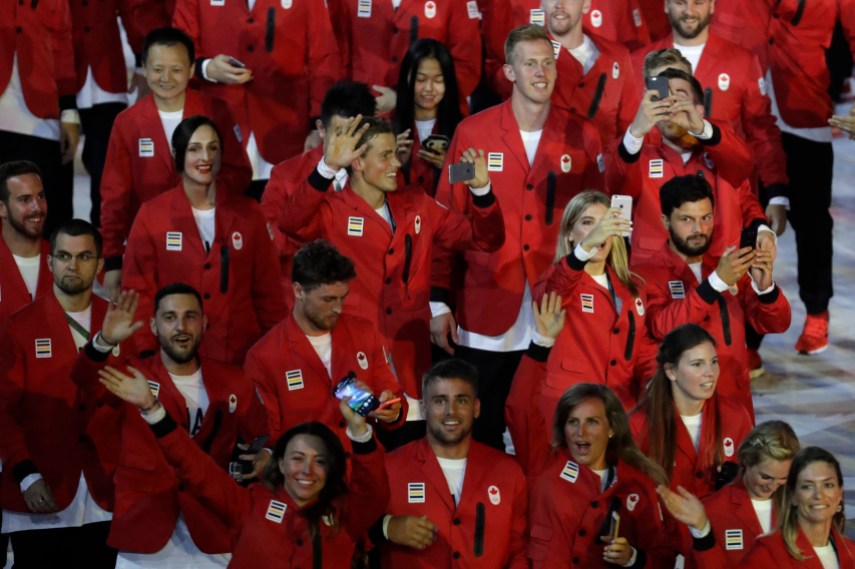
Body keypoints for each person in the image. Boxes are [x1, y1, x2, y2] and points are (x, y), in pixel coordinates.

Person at [431, 24, 604, 450]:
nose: (542, 72)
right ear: (509, 71)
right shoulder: (472, 134)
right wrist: (437, 299)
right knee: (485, 430)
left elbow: (600, 219)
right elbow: (447, 221)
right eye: (530, 64)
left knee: (553, 433)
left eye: (548, 63)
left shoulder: (582, 136)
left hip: (558, 305)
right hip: (487, 303)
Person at [280, 117, 503, 438]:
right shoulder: (331, 211)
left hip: (411, 364)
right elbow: (291, 222)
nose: (395, 164)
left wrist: (481, 191)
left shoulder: (418, 204)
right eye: (384, 156)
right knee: (359, 451)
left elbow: (485, 240)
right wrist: (326, 166)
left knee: (407, 458)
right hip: (352, 372)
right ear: (357, 162)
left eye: (394, 155)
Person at [96, 362, 390, 569]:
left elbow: (374, 490)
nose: (307, 470)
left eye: (320, 461)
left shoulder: (343, 515)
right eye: (297, 459)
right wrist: (152, 409)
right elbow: (195, 465)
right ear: (281, 464)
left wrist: (360, 431)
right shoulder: (249, 505)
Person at [71, 283, 275, 567]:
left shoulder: (234, 381)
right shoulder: (133, 374)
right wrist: (104, 340)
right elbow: (84, 378)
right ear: (154, 326)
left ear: (204, 323)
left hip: (212, 529)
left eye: (190, 316)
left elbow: (264, 436)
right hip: (144, 530)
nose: (181, 326)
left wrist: (267, 455)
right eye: (170, 318)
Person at [712, 0, 855, 356]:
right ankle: (749, 333)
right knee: (746, 217)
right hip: (740, 108)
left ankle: (817, 308)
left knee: (812, 219)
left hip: (805, 103)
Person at [506, 292, 673, 568]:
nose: (580, 432)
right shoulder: (543, 462)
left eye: (592, 422)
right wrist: (542, 343)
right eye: (573, 422)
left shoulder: (638, 483)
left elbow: (663, 555)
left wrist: (634, 558)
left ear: (611, 429)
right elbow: (520, 407)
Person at [0, 220, 123, 567]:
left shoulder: (120, 323)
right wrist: (27, 474)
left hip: (105, 494)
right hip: (42, 491)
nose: (73, 264)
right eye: (64, 255)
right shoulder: (19, 326)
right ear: (49, 262)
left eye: (84, 256)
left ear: (100, 264)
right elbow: (3, 411)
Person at [100, 27, 251, 297]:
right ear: (144, 68)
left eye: (177, 70)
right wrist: (112, 261)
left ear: (193, 69)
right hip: (149, 246)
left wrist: (202, 195)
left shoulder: (215, 111)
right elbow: (115, 196)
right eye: (157, 69)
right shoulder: (128, 123)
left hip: (209, 241)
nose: (166, 78)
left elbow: (239, 173)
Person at [122, 115, 286, 364]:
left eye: (213, 148)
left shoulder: (249, 213)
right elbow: (139, 293)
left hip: (239, 357)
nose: (205, 158)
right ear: (177, 153)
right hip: (175, 359)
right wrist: (147, 352)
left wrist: (277, 350)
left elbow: (268, 292)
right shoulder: (151, 215)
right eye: (194, 149)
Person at [636, 175, 791, 418]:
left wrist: (766, 288)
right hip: (679, 407)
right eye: (686, 219)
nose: (698, 229)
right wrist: (716, 282)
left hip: (734, 404)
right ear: (666, 221)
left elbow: (777, 323)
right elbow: (662, 326)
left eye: (705, 218)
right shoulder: (646, 273)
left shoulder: (729, 266)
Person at [632, 0, 790, 237]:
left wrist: (776, 193)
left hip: (725, 208)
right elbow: (621, 133)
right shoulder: (636, 63)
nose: (689, 11)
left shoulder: (742, 61)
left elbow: (761, 131)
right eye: (680, 3)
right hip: (656, 211)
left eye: (698, 2)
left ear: (713, 5)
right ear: (665, 5)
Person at [245, 240, 407, 451]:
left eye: (342, 298)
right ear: (298, 291)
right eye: (328, 300)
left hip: (362, 470)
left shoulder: (364, 332)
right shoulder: (263, 357)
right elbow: (269, 438)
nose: (338, 308)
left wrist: (391, 412)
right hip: (306, 476)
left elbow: (393, 397)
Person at [371, 358, 528, 568]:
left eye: (461, 400)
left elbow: (518, 550)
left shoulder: (508, 472)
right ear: (424, 408)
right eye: (439, 401)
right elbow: (348, 531)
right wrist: (386, 527)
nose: (450, 411)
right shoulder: (389, 468)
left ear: (476, 407)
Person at [604, 67, 768, 266]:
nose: (670, 102)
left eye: (679, 95)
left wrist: (699, 127)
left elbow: (743, 165)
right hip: (654, 275)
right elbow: (617, 188)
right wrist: (636, 131)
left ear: (699, 110)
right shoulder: (637, 156)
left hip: (720, 269)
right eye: (663, 96)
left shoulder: (722, 153)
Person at [173, 0, 340, 196]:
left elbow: (323, 60)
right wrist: (205, 67)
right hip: (221, 127)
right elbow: (177, 48)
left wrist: (317, 125)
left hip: (286, 129)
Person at [534, 191, 656, 417]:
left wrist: (652, 381)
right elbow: (552, 298)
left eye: (604, 224)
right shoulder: (555, 278)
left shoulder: (633, 287)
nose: (599, 232)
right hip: (570, 407)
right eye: (588, 223)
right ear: (570, 233)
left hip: (619, 407)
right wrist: (584, 249)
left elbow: (642, 348)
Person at [263, 81, 377, 295]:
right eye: (340, 133)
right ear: (321, 129)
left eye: (355, 134)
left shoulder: (380, 175)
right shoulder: (285, 175)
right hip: (302, 301)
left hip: (363, 297)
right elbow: (270, 244)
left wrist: (300, 232)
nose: (346, 144)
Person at [656, 420, 800, 568]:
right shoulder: (711, 511)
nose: (772, 487)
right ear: (745, 461)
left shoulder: (799, 507)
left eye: (782, 478)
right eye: (765, 477)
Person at [686, 446, 855, 567]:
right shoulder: (768, 553)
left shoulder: (851, 552)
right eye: (807, 486)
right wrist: (703, 534)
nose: (819, 495)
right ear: (793, 496)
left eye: (828, 485)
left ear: (840, 493)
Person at [1, 0, 77, 236]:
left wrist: (69, 113)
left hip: (42, 114)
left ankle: (45, 272)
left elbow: (63, 51)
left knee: (50, 212)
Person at [328, 0, 481, 115]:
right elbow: (337, 60)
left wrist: (403, 97)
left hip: (431, 123)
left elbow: (466, 67)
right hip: (365, 119)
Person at [538, 0, 640, 146]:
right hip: (546, 165)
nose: (559, 4)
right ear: (542, 3)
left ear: (586, 5)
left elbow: (630, 126)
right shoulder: (524, 56)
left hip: (604, 165)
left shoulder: (618, 56)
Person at [393, 39, 463, 197]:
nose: (429, 88)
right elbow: (366, 182)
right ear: (407, 78)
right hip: (398, 218)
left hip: (446, 218)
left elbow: (478, 178)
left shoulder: (465, 128)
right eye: (421, 80)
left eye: (438, 80)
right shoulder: (384, 126)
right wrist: (393, 164)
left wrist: (451, 169)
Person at [0, 161, 53, 323]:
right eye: (25, 199)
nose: (37, 207)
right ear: (2, 208)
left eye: (41, 196)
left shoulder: (65, 260)